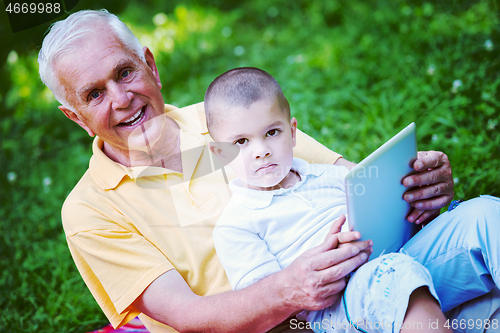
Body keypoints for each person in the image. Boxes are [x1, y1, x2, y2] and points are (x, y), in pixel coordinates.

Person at [36, 9, 498, 333]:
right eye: (94, 95)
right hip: (300, 320)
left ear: (150, 66)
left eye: (124, 72)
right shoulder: (89, 210)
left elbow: (356, 180)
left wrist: (415, 186)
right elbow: (187, 317)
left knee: (486, 225)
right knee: (414, 290)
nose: (121, 99)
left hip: (367, 272)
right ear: (74, 116)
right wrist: (291, 291)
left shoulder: (234, 116)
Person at [207, 67, 451, 333]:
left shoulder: (333, 176)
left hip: (393, 254)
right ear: (220, 153)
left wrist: (411, 202)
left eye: (272, 133)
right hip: (335, 307)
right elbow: (270, 305)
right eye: (241, 141)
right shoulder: (235, 225)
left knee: (482, 214)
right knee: (396, 274)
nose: (261, 151)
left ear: (292, 132)